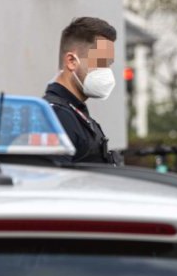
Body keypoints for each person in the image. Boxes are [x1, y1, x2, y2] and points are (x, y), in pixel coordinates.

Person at [44, 16, 122, 165]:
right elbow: (55, 183)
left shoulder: (74, 112)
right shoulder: (58, 116)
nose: (106, 71)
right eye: (101, 62)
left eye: (108, 64)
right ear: (72, 61)